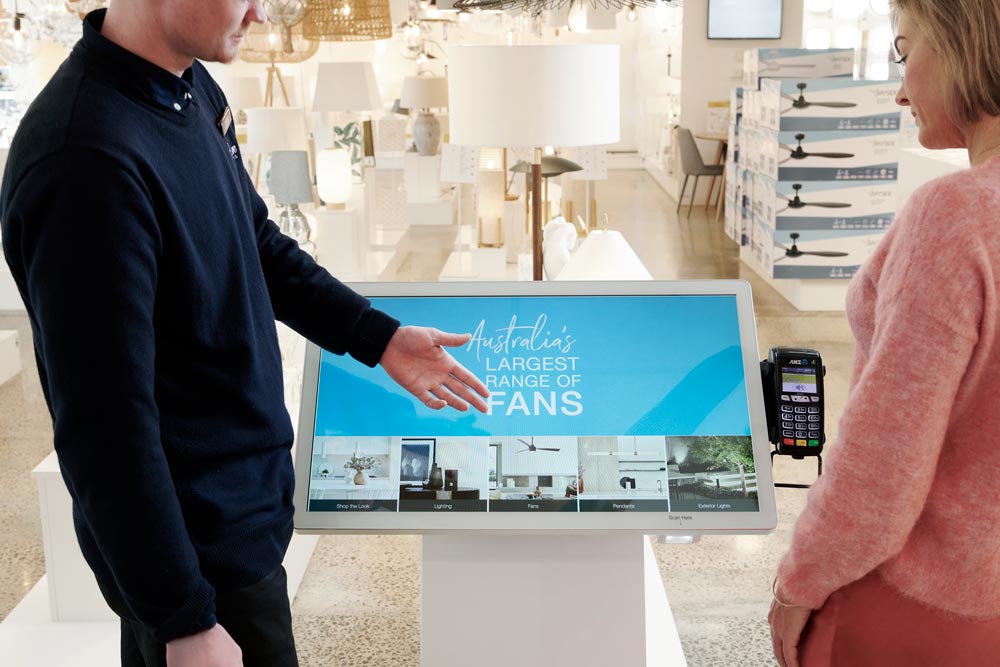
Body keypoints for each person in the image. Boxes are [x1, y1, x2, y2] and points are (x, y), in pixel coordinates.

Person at [0, 2, 489, 666]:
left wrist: (378, 337)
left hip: (237, 535)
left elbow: (254, 243)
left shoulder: (190, 85)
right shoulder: (85, 158)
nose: (262, 11)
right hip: (199, 569)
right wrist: (183, 619)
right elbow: (105, 432)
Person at [768, 1, 1000, 665]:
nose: (900, 89)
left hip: (917, 612)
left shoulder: (955, 216)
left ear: (964, 41)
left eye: (904, 50)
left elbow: (882, 470)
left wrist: (796, 582)